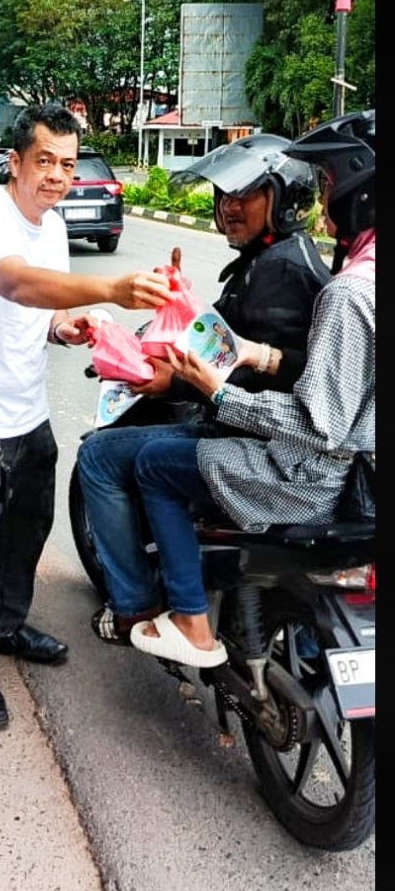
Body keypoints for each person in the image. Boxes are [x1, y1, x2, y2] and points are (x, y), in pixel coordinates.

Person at [0, 101, 172, 731]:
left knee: (28, 529)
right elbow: (18, 284)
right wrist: (111, 289)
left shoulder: (54, 227)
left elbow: (43, 314)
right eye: (45, 161)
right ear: (15, 162)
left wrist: (69, 328)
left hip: (27, 411)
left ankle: (8, 626)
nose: (58, 175)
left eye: (67, 163)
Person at [127, 109, 375, 666]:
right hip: (363, 478)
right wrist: (254, 354)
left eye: (329, 184)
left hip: (313, 481)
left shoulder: (346, 292)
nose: (320, 198)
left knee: (154, 465)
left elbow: (318, 428)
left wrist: (219, 392)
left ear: (357, 193)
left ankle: (190, 621)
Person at [77, 133, 331, 644]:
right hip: (282, 440)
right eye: (224, 195)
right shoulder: (279, 257)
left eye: (247, 194)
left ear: (283, 199)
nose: (229, 207)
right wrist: (179, 302)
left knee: (99, 459)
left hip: (263, 442)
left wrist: (175, 381)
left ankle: (137, 608)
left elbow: (257, 367)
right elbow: (225, 337)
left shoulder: (280, 269)